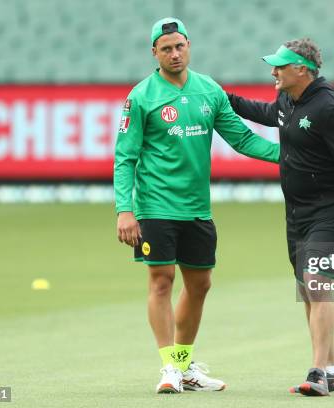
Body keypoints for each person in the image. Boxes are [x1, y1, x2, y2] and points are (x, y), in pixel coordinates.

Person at [114, 17, 280, 394]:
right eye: (166, 48)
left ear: (189, 45)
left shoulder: (209, 91)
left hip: (197, 209)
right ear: (153, 53)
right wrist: (125, 209)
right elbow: (125, 157)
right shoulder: (141, 97)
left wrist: (291, 155)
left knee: (200, 283)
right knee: (161, 281)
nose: (175, 53)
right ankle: (169, 368)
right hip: (156, 207)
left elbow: (242, 140)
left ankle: (185, 368)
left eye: (180, 46)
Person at [227, 38, 334, 397]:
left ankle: (318, 372)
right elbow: (264, 113)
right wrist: (221, 98)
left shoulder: (330, 108)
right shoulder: (289, 100)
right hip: (297, 213)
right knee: (308, 288)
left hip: (330, 210)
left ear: (301, 69)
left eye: (280, 66)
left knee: (316, 282)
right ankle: (333, 370)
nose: (273, 71)